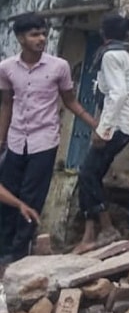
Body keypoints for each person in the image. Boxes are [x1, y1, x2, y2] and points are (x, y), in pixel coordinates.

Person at [0, 14, 97, 262]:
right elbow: (7, 104)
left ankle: (18, 254)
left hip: (44, 140)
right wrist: (1, 139)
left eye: (44, 33)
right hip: (16, 139)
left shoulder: (59, 67)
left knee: (31, 197)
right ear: (20, 38)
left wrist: (94, 124)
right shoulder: (7, 68)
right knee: (8, 196)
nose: (41, 38)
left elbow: (70, 101)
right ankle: (4, 250)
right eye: (34, 34)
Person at [74, 14, 129, 253]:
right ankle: (89, 234)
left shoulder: (111, 56)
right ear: (126, 34)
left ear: (103, 33)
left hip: (117, 125)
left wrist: (104, 129)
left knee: (87, 174)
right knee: (91, 175)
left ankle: (106, 228)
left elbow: (118, 94)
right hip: (126, 124)